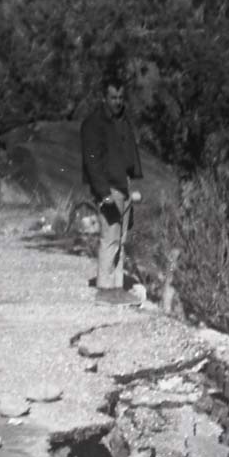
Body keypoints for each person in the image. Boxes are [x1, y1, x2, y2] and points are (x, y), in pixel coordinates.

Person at [80, 75, 143, 302]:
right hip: (108, 189)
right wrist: (103, 194)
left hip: (123, 186)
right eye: (113, 97)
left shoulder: (122, 121)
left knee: (122, 239)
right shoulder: (94, 123)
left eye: (120, 97)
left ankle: (117, 288)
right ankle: (105, 289)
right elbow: (92, 162)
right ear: (103, 97)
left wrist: (131, 182)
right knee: (109, 238)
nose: (117, 101)